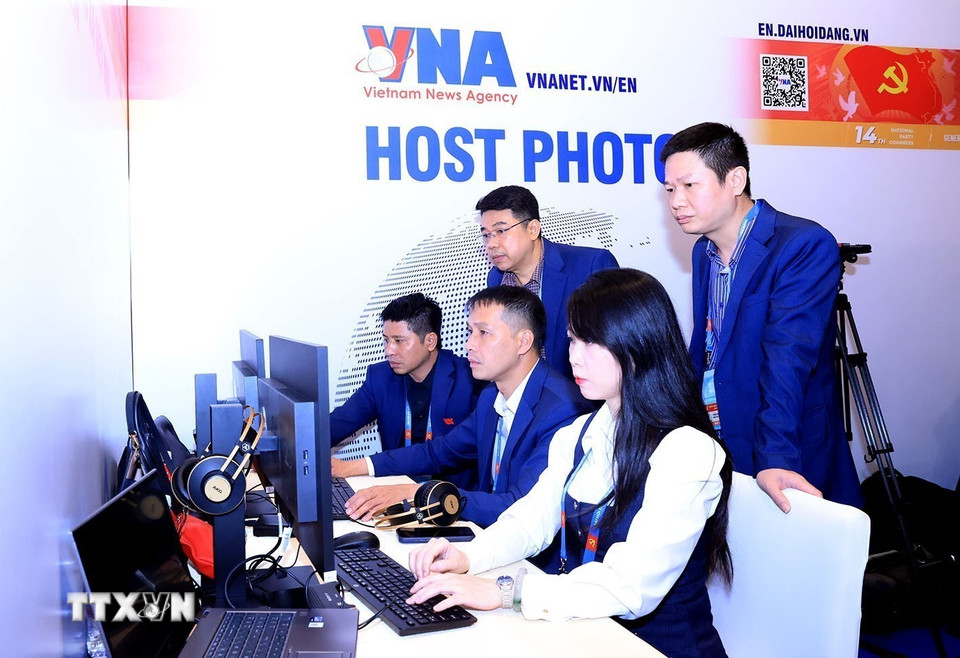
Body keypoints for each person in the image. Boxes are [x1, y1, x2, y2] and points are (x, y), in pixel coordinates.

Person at [406, 269, 732, 658]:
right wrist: (468, 557)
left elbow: (630, 588)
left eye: (590, 342)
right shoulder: (579, 433)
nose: (573, 356)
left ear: (637, 345)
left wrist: (507, 592)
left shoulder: (689, 451)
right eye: (573, 340)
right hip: (583, 636)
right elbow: (530, 521)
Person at [659, 121, 862, 511]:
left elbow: (788, 360)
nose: (676, 202)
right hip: (719, 442)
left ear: (735, 180)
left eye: (689, 185)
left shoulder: (801, 245)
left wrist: (776, 457)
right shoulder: (703, 252)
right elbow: (708, 350)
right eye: (669, 190)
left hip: (783, 445)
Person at [331, 286, 591, 530]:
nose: (469, 344)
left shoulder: (563, 411)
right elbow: (439, 451)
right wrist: (357, 467)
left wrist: (421, 494)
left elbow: (521, 507)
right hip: (489, 533)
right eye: (470, 332)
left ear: (523, 342)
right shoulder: (491, 397)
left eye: (483, 333)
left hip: (530, 552)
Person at [329, 292, 481, 488]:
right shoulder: (380, 378)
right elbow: (337, 424)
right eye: (386, 340)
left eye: (399, 341)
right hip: (396, 494)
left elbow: (452, 451)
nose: (389, 350)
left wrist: (356, 466)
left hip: (452, 497)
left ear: (430, 341)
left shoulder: (470, 380)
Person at [478, 184, 619, 380]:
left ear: (533, 229)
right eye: (486, 235)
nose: (491, 244)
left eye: (501, 231)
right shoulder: (496, 279)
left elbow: (615, 346)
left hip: (581, 392)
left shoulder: (591, 266)